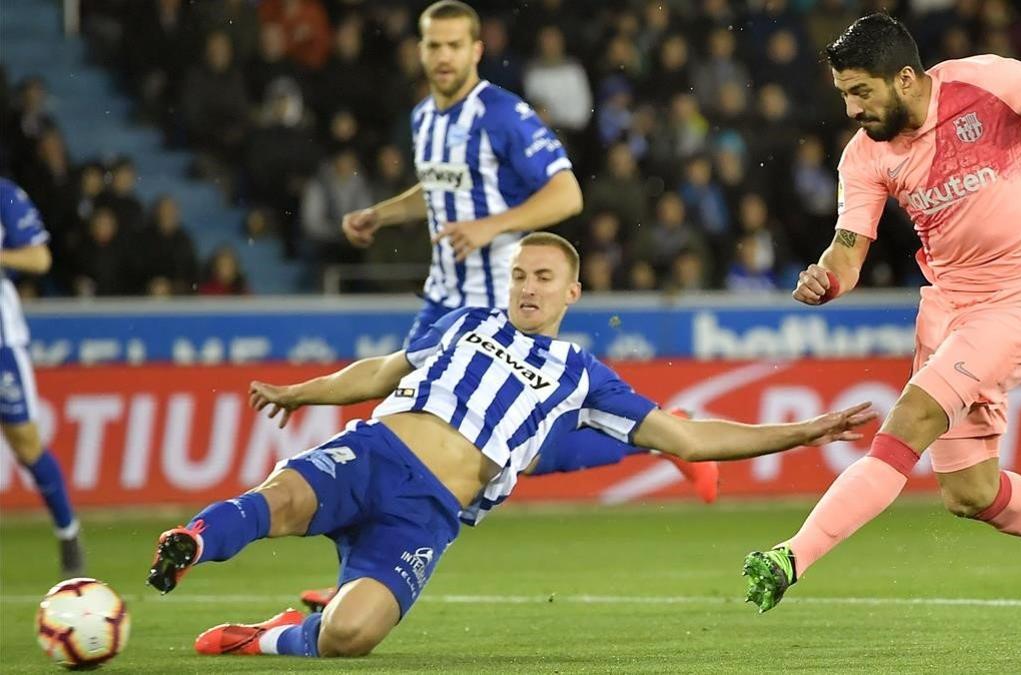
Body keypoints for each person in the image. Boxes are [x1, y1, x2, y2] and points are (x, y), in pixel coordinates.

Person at [145, 233, 877, 659]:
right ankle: (192, 540)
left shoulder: (583, 374)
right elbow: (383, 369)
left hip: (428, 515)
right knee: (284, 498)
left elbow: (686, 434)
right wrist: (304, 391)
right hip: (376, 454)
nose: (528, 287)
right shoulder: (466, 323)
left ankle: (270, 638)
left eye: (544, 278)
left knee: (351, 637)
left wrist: (806, 430)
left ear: (573, 293)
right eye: (520, 275)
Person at [742, 13, 1021, 630]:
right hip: (950, 311)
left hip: (1019, 299)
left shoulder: (986, 82)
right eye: (844, 94)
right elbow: (848, 253)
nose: (851, 108)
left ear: (907, 79)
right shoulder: (864, 159)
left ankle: (790, 558)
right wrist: (826, 278)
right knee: (969, 493)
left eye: (861, 91)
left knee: (909, 418)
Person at [336, 0, 714, 542]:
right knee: (404, 428)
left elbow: (567, 193)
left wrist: (492, 227)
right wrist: (383, 213)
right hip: (442, 296)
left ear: (476, 50)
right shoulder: (423, 118)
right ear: (420, 50)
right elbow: (442, 187)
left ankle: (669, 433)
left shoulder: (502, 114)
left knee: (493, 447)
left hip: (494, 296)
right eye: (433, 45)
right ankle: (667, 432)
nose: (443, 56)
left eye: (454, 45)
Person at [0, 178, 84, 577]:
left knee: (26, 443)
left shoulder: (5, 195)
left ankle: (68, 532)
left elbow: (39, 259)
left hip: (2, 342)